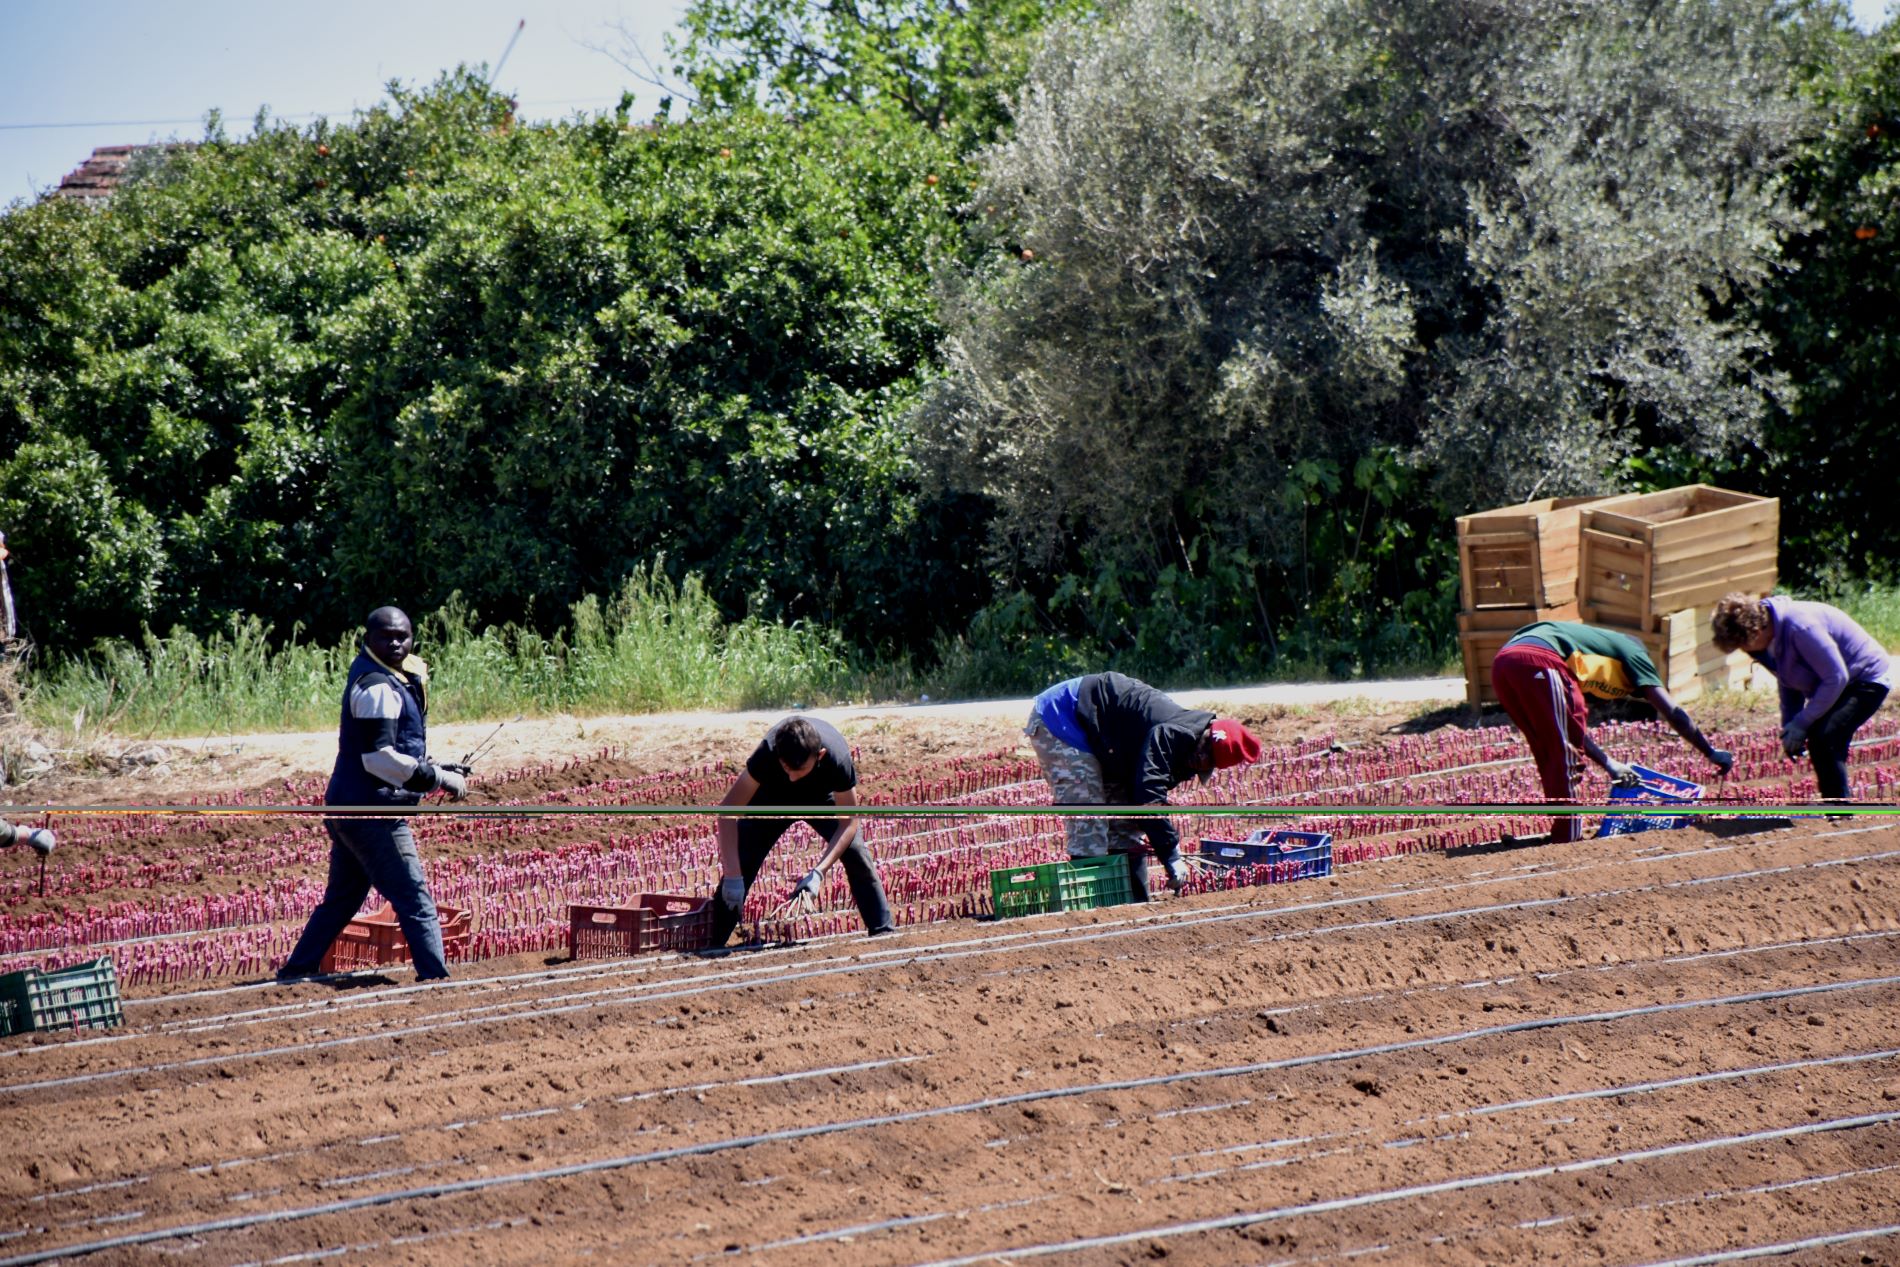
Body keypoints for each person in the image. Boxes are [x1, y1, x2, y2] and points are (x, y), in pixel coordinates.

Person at [277, 607, 466, 981]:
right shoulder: (378, 686)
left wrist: (436, 765)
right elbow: (379, 759)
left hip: (351, 807)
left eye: (403, 636)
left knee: (343, 899)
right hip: (373, 812)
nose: (396, 643)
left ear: (412, 637)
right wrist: (436, 779)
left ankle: (296, 971)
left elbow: (394, 750)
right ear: (369, 639)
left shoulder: (390, 677)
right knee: (414, 897)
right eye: (386, 636)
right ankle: (436, 979)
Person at [1491, 619, 1733, 843]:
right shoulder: (1635, 654)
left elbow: (1570, 730)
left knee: (1549, 747)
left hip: (1503, 664)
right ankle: (1568, 840)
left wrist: (1609, 763)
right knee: (1565, 757)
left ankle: (1562, 833)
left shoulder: (1584, 648)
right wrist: (1709, 751)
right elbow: (1672, 712)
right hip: (1538, 660)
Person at [1025, 672, 1262, 895]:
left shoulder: (1188, 754)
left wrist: (1165, 848)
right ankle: (1087, 912)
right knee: (1090, 821)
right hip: (1064, 718)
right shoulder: (1171, 734)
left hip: (1106, 740)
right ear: (1206, 733)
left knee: (1127, 827)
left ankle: (1135, 905)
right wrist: (1171, 853)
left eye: (1208, 761)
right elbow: (1148, 797)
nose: (1201, 759)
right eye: (1204, 750)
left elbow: (1139, 802)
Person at [708, 715, 894, 947]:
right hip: (771, 798)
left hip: (819, 798)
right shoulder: (767, 753)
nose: (792, 777)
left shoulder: (837, 757)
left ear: (820, 756)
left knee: (856, 851)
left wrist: (818, 873)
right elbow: (727, 811)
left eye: (800, 770)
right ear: (779, 756)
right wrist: (733, 876)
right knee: (743, 860)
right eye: (787, 768)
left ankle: (883, 931)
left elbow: (850, 822)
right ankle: (713, 942)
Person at [1710, 592, 1893, 806]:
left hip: (1865, 678)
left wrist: (1802, 722)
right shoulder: (1768, 641)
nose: (1744, 651)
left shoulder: (1800, 627)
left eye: (1743, 645)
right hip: (1837, 682)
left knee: (1825, 737)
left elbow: (1836, 677)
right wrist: (1790, 725)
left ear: (1756, 632)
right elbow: (1788, 682)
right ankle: (1836, 805)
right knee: (1822, 738)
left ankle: (1839, 811)